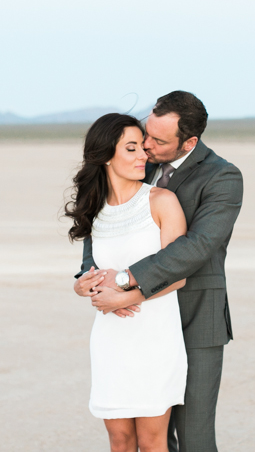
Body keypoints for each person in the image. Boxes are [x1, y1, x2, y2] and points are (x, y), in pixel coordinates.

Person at [76, 91, 244, 452]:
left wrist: (123, 283)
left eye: (158, 140)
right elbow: (103, 225)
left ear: (190, 142)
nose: (147, 146)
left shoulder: (223, 177)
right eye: (145, 134)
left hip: (195, 319)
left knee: (194, 438)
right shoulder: (138, 162)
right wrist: (89, 280)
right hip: (137, 324)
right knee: (151, 438)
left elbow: (195, 247)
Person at [66, 113, 189, 452]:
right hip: (111, 340)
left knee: (152, 442)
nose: (142, 156)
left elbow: (177, 275)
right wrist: (82, 285)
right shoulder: (95, 209)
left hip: (154, 336)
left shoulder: (161, 202)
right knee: (119, 440)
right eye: (131, 148)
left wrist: (123, 298)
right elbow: (90, 269)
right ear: (106, 154)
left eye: (143, 148)